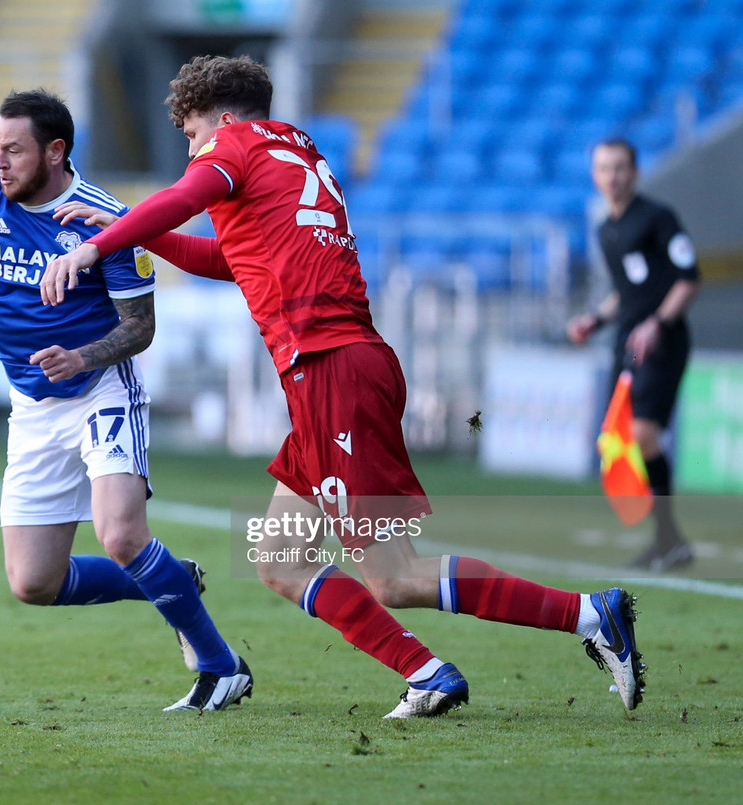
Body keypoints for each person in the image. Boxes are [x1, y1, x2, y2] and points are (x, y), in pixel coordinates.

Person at [42, 55, 644, 716]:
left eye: (190, 135)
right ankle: (427, 671)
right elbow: (232, 259)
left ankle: (589, 614)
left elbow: (185, 199)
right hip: (341, 369)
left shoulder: (233, 146)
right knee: (279, 555)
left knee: (396, 576)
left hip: (331, 370)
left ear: (222, 116)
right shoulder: (295, 151)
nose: (192, 149)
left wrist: (94, 248)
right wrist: (130, 236)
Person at [0, 88, 252, 712]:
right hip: (31, 406)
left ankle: (221, 668)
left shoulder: (104, 218)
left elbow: (140, 327)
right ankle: (170, 580)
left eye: (14, 150)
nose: (0, 162)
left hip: (100, 392)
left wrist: (82, 358)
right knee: (34, 583)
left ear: (55, 151)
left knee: (121, 535)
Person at [567, 137, 700, 572]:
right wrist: (594, 320)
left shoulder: (658, 218)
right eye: (605, 168)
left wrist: (657, 324)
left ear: (636, 172)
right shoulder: (607, 228)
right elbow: (624, 295)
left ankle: (669, 539)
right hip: (628, 345)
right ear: (595, 175)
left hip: (663, 343)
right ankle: (667, 540)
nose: (613, 176)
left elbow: (688, 279)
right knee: (623, 439)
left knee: (644, 434)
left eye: (621, 167)